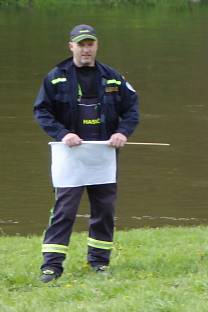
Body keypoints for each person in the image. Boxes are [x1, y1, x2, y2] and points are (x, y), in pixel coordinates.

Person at [33, 24, 140, 283]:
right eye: (80, 44)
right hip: (70, 154)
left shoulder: (113, 77)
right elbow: (41, 111)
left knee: (104, 209)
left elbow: (132, 109)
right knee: (64, 211)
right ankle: (51, 266)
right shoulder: (56, 77)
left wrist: (122, 133)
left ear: (96, 46)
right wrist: (62, 134)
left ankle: (99, 262)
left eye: (89, 44)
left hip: (104, 154)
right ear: (71, 46)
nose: (85, 49)